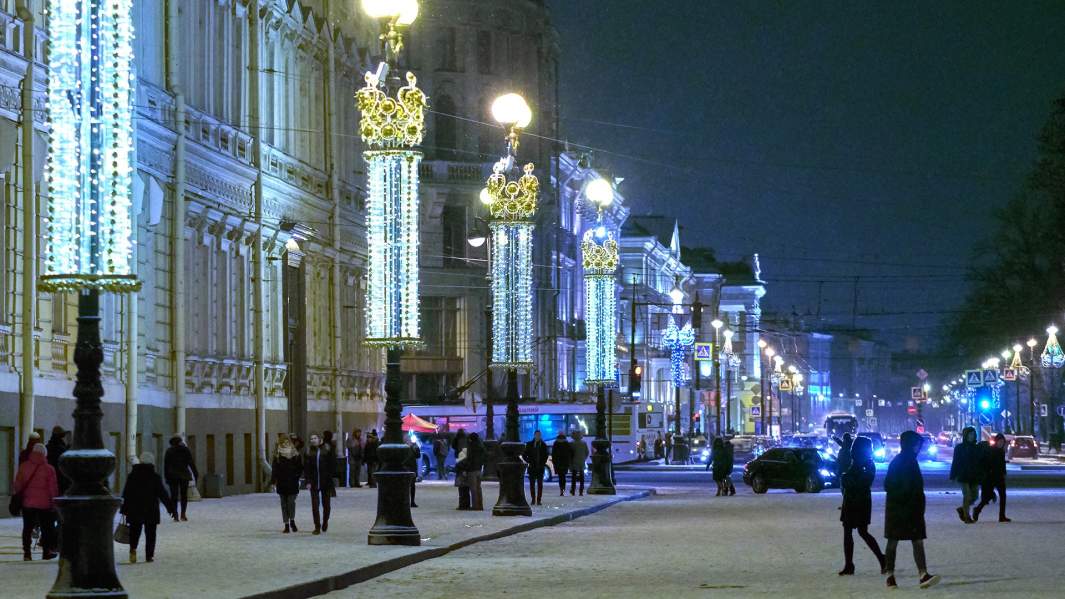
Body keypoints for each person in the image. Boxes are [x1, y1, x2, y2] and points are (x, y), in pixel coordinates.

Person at [883, 431, 940, 589]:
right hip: (907, 507)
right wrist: (909, 497)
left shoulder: (901, 461)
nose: (919, 448)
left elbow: (889, 485)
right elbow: (892, 485)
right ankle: (920, 574)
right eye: (917, 445)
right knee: (914, 541)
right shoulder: (907, 462)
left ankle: (891, 576)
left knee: (895, 541)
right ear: (911, 445)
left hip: (898, 508)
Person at [838, 436, 885, 576]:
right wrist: (847, 479)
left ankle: (882, 559)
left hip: (860, 500)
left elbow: (863, 482)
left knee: (862, 532)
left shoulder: (868, 464)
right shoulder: (856, 462)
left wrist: (847, 479)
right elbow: (848, 477)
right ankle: (849, 564)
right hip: (852, 499)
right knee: (848, 532)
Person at [120, 452, 175, 564]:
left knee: (135, 531)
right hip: (151, 508)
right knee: (151, 533)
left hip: (135, 509)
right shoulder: (155, 477)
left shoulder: (132, 476)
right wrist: (171, 509)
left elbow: (126, 494)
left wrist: (124, 509)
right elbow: (162, 494)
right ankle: (149, 555)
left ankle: (133, 550)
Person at [13, 443, 58, 561]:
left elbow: (17, 485)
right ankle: (46, 552)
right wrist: (54, 503)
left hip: (28, 503)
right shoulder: (49, 469)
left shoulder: (24, 466)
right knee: (46, 528)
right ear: (45, 454)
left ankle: (27, 553)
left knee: (27, 528)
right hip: (45, 504)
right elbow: (52, 488)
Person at [973, 433, 1009, 523]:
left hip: (1000, 477)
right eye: (1000, 442)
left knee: (1003, 496)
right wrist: (988, 472)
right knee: (987, 497)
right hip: (991, 477)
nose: (1001, 443)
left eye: (1002, 442)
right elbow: (985, 463)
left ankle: (1002, 516)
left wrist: (1004, 473)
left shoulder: (1001, 451)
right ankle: (977, 509)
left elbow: (1002, 464)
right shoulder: (991, 451)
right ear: (996, 442)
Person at [949, 426, 983, 523]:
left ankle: (962, 509)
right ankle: (967, 516)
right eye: (970, 434)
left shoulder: (977, 448)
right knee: (967, 495)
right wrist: (952, 475)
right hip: (963, 475)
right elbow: (955, 462)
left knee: (975, 496)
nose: (972, 436)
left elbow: (980, 462)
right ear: (965, 436)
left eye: (973, 434)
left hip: (975, 476)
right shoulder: (959, 448)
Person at [304, 433, 336, 534]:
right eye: (311, 438)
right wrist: (308, 481)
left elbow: (332, 465)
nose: (313, 440)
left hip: (325, 482)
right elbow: (307, 468)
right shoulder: (309, 452)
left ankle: (325, 521)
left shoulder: (327, 449)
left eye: (315, 438)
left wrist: (330, 481)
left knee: (326, 505)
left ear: (320, 439)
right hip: (313, 483)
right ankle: (317, 526)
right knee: (315, 506)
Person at [271, 435, 302, 533]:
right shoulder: (277, 456)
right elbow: (274, 469)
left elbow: (300, 467)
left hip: (292, 482)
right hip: (282, 483)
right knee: (283, 505)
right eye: (283, 442)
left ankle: (292, 520)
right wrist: (273, 481)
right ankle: (286, 524)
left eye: (287, 441)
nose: (285, 443)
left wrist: (296, 477)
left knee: (291, 503)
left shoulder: (295, 454)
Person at [163, 435, 198, 522]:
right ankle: (183, 514)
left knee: (174, 496)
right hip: (184, 475)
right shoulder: (185, 450)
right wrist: (195, 474)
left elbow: (166, 466)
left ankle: (175, 515)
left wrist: (166, 477)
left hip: (172, 476)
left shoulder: (169, 451)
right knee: (184, 496)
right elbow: (191, 463)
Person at [524, 430, 549, 505]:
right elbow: (524, 454)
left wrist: (542, 463)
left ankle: (538, 500)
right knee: (532, 484)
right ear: (534, 435)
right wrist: (529, 461)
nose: (538, 436)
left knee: (540, 484)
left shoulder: (543, 445)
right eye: (537, 435)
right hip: (532, 467)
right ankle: (533, 499)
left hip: (540, 468)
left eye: (539, 435)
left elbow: (546, 456)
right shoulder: (529, 444)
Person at [466, 432, 486, 510]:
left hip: (472, 469)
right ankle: (480, 505)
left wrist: (467, 468)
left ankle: (475, 505)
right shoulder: (481, 446)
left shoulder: (471, 447)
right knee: (478, 488)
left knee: (473, 489)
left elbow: (469, 458)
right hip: (479, 469)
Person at [569, 430, 590, 496]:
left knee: (574, 478)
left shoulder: (572, 443)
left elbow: (570, 454)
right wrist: (583, 458)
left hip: (574, 462)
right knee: (582, 478)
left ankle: (573, 490)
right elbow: (587, 452)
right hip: (582, 462)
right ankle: (581, 491)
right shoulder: (584, 443)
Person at [404, 437, 420, 508]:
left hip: (410, 468)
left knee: (411, 485)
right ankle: (410, 502)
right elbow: (417, 456)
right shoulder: (406, 448)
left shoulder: (412, 448)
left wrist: (416, 448)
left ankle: (411, 501)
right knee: (409, 486)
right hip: (409, 468)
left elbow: (418, 456)